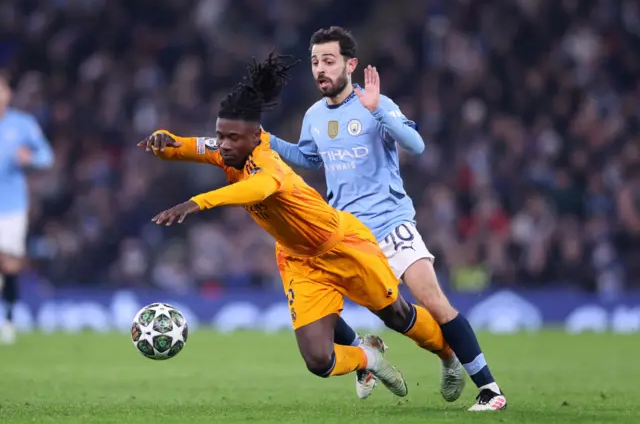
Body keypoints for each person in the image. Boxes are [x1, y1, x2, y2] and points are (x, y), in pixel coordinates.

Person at [139, 52, 455, 396]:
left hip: (342, 245)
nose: (224, 146)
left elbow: (254, 190)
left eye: (232, 138)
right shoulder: (227, 148)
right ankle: (369, 358)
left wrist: (198, 202)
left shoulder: (267, 166)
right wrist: (163, 142)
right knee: (319, 361)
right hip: (299, 260)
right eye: (221, 136)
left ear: (256, 134)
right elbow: (187, 145)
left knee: (396, 315)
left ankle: (448, 354)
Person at [268, 26, 506, 411]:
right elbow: (310, 158)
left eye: (328, 61)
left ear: (351, 64)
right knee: (321, 307)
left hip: (389, 224)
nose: (320, 69)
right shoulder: (313, 116)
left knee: (432, 301)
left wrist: (378, 108)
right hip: (344, 234)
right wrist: (266, 141)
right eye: (315, 62)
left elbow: (416, 145)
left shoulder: (374, 103)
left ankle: (488, 387)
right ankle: (365, 353)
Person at [0, 71, 54, 344]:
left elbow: (46, 156)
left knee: (8, 262)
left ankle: (8, 320)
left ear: (8, 93)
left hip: (10, 207)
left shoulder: (22, 124)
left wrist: (29, 157)